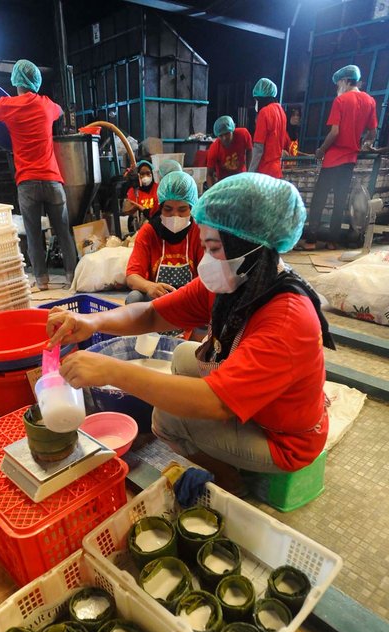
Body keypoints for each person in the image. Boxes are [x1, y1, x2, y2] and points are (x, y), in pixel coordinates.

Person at [46, 173, 335, 488]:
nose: (206, 261)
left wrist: (113, 372)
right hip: (261, 405)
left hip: (282, 438)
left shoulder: (286, 320)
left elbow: (216, 403)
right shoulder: (239, 281)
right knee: (185, 355)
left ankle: (228, 480)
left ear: (249, 248)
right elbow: (153, 314)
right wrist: (91, 322)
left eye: (213, 248)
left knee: (168, 418)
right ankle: (226, 455)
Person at [0, 59, 78, 291]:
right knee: (64, 232)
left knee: (33, 234)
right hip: (52, 180)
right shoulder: (47, 104)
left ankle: (41, 280)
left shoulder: (7, 105)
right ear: (35, 82)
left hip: (27, 182)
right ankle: (72, 276)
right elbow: (60, 111)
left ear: (16, 81)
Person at [302, 65, 378, 250]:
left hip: (333, 159)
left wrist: (321, 150)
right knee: (339, 201)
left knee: (319, 199)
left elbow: (334, 132)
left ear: (344, 81)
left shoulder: (341, 100)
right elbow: (373, 131)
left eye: (338, 84)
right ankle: (332, 241)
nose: (337, 88)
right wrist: (364, 144)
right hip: (350, 161)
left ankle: (311, 240)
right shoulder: (370, 101)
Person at [124, 171, 203, 304]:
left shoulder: (199, 231)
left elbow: (207, 278)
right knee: (134, 298)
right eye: (168, 209)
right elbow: (132, 276)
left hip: (190, 301)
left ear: (193, 208)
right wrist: (149, 286)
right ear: (160, 207)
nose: (175, 215)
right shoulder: (149, 232)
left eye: (182, 209)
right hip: (157, 301)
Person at [249, 78, 287, 179]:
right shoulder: (281, 111)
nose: (256, 103)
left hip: (265, 172)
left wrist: (249, 174)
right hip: (277, 170)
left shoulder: (264, 112)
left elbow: (258, 148)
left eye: (256, 100)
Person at [206, 115, 252, 187]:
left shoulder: (243, 134)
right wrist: (211, 192)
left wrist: (249, 171)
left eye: (227, 134)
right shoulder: (214, 148)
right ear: (217, 136)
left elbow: (249, 151)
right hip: (224, 182)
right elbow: (209, 174)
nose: (224, 138)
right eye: (221, 136)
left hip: (242, 177)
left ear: (232, 130)